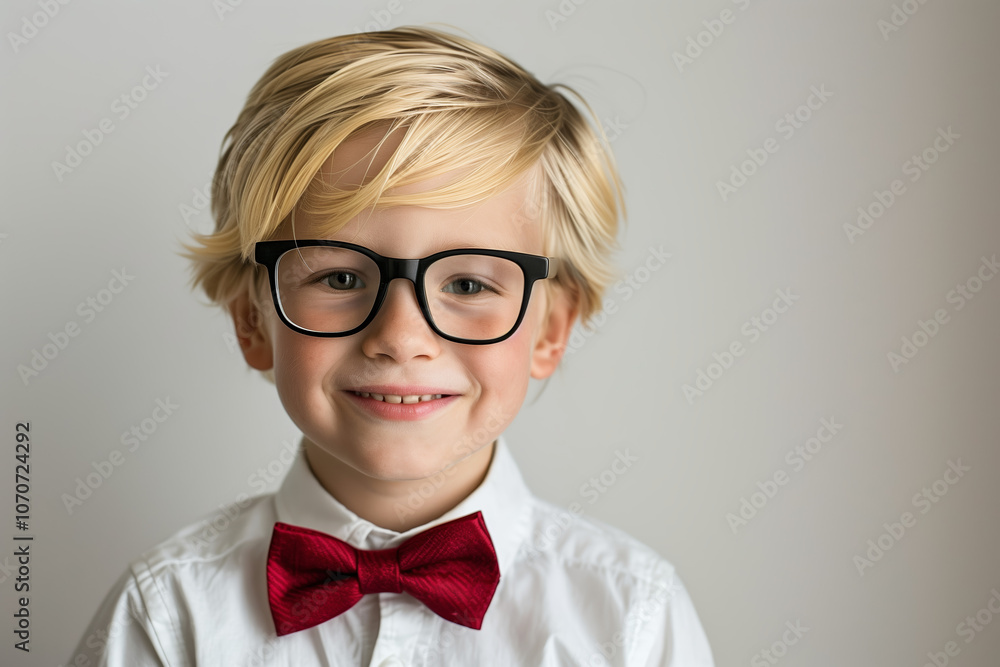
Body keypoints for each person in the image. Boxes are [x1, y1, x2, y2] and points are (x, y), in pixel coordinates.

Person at [68, 25, 715, 666]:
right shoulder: (165, 611)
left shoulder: (632, 614)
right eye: (340, 277)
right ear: (252, 321)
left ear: (550, 329)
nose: (401, 337)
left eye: (467, 282)